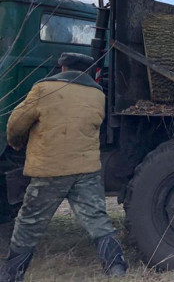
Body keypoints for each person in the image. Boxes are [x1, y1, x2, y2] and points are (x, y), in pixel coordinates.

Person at [0, 53, 127, 281]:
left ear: (62, 67)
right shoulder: (98, 95)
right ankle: (116, 267)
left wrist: (16, 142)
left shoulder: (44, 89)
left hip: (50, 169)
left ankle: (12, 274)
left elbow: (16, 123)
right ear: (88, 72)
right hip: (85, 170)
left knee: (29, 222)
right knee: (97, 220)